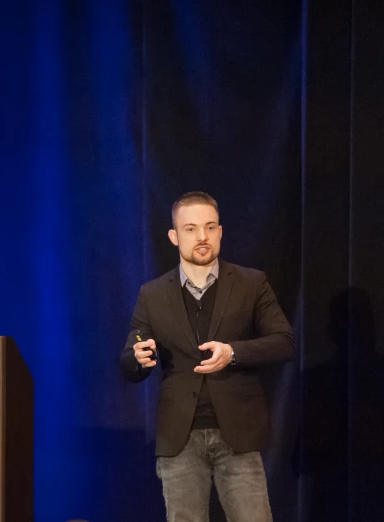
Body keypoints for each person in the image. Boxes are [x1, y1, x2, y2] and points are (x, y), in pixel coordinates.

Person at [120, 191, 295, 522]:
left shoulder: (251, 283)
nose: (201, 237)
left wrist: (233, 352)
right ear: (174, 236)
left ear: (220, 231)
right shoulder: (153, 294)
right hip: (179, 436)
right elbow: (130, 359)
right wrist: (138, 357)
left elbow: (283, 342)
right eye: (190, 228)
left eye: (209, 227)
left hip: (237, 434)